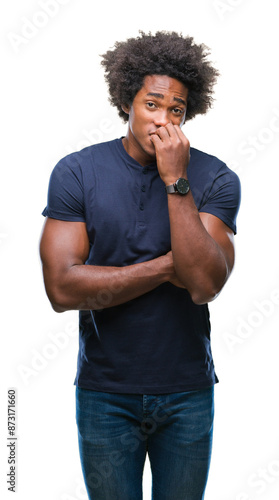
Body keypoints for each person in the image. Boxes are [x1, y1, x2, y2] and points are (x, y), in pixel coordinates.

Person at [40, 31, 241, 500]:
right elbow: (62, 290)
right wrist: (170, 266)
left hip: (187, 390)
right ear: (126, 101)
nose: (164, 121)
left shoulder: (215, 177)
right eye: (153, 104)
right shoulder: (76, 172)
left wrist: (176, 179)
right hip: (105, 393)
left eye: (177, 110)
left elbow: (204, 285)